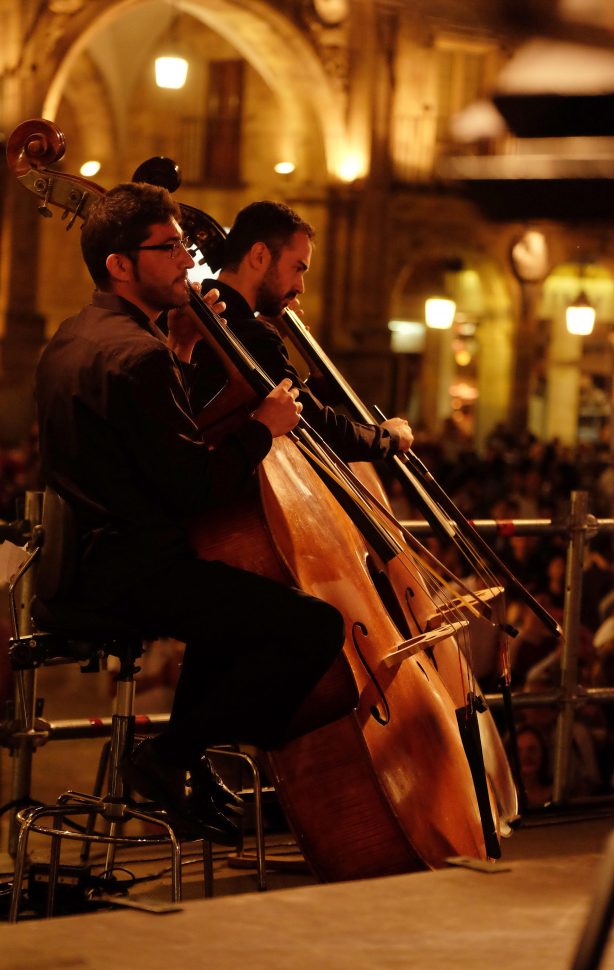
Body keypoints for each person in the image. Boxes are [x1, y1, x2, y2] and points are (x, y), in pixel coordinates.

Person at [35, 182, 347, 843]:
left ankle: (187, 759)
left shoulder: (73, 336)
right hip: (134, 570)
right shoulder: (137, 355)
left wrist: (179, 353)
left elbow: (130, 445)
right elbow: (191, 487)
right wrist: (264, 425)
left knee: (233, 617)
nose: (188, 260)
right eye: (170, 247)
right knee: (314, 629)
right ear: (121, 264)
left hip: (82, 565)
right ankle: (170, 756)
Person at [191, 201, 414, 463]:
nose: (301, 286)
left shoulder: (201, 313)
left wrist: (317, 384)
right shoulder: (252, 335)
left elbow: (279, 408)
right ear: (259, 255)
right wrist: (388, 436)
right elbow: (322, 430)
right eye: (298, 268)